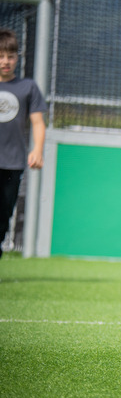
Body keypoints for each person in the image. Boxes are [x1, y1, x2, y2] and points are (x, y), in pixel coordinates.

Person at [0, 28, 45, 260]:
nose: (5, 61)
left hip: (13, 163)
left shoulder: (28, 87)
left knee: (3, 215)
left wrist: (37, 149)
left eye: (10, 56)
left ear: (17, 57)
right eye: (0, 56)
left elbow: (37, 122)